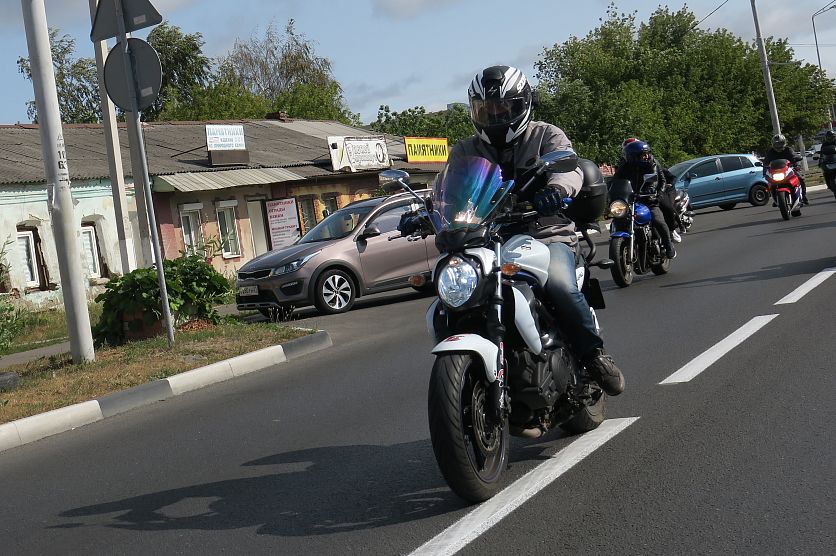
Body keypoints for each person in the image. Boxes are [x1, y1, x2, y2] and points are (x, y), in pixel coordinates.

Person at [401, 65, 624, 396]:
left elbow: (571, 168)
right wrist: (425, 212)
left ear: (523, 104)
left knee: (561, 285)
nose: (495, 115)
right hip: (488, 238)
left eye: (504, 107)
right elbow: (447, 190)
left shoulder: (546, 134)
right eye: (487, 108)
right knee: (455, 294)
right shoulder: (466, 149)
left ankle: (594, 355)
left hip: (547, 233)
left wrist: (558, 190)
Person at [612, 140, 679, 257]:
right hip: (631, 199)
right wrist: (610, 191)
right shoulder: (624, 167)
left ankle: (669, 245)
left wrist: (653, 191)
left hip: (649, 199)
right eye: (644, 154)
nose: (647, 156)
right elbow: (616, 181)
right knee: (619, 218)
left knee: (658, 220)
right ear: (633, 156)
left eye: (647, 153)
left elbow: (659, 180)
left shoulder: (651, 164)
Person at [764, 133, 808, 205]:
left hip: (789, 169)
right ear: (773, 144)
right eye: (776, 144)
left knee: (800, 179)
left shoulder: (788, 150)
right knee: (770, 184)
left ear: (784, 143)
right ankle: (776, 199)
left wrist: (796, 163)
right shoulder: (771, 152)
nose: (778, 146)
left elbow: (794, 156)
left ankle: (804, 197)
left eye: (780, 143)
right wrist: (764, 170)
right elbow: (766, 162)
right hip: (776, 172)